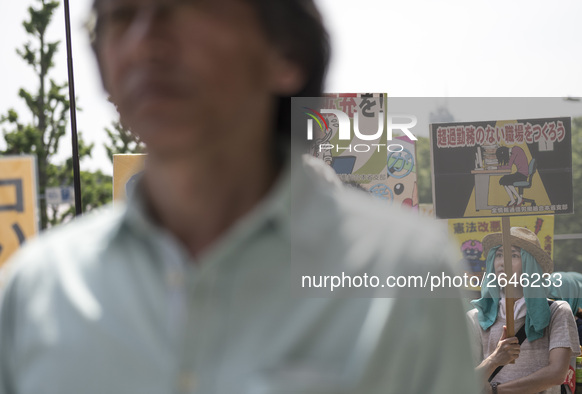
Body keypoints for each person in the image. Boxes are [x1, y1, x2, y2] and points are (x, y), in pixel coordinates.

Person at [0, 0, 477, 393]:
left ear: (286, 54)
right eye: (121, 16)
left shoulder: (406, 276)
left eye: (185, 8)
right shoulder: (37, 291)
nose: (145, 42)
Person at [468, 227, 580, 394]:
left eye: (513, 255)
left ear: (531, 264)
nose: (502, 262)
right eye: (498, 254)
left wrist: (497, 391)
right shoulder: (476, 317)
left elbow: (556, 373)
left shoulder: (557, 312)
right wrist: (494, 360)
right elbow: (464, 379)